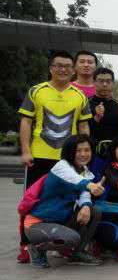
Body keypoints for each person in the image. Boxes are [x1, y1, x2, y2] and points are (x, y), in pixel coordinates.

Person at [24, 135, 105, 267]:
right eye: (78, 151)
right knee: (72, 238)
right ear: (69, 151)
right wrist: (91, 186)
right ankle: (36, 248)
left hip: (60, 221)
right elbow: (76, 180)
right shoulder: (62, 167)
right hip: (38, 224)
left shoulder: (85, 171)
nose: (83, 154)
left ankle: (77, 254)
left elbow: (84, 194)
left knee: (94, 211)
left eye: (87, 150)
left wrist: (86, 205)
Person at [19, 51, 92, 189]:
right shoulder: (35, 91)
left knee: (65, 198)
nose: (63, 69)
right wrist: (26, 151)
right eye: (58, 65)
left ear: (73, 70)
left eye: (67, 66)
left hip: (68, 157)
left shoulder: (80, 95)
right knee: (34, 197)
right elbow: (26, 122)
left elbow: (83, 126)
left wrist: (84, 153)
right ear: (51, 68)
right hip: (38, 156)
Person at [88, 68, 118, 161]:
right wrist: (96, 118)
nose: (105, 84)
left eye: (108, 81)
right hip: (91, 154)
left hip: (114, 155)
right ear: (94, 82)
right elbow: (81, 130)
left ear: (113, 83)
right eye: (101, 81)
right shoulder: (86, 104)